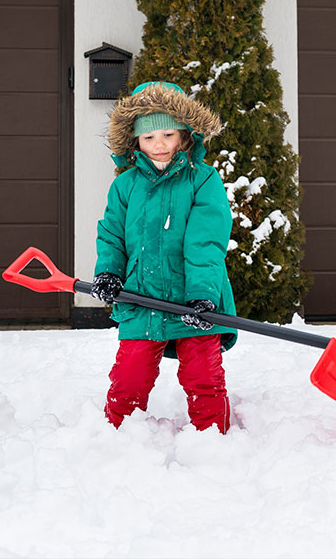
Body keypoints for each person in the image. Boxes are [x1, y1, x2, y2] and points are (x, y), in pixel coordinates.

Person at [91, 81, 237, 434]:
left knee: (203, 376)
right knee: (130, 376)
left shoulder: (203, 180)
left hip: (197, 300)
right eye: (148, 138)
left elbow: (206, 243)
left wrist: (203, 296)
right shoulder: (125, 186)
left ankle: (213, 440)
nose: (159, 145)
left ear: (185, 135)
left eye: (168, 134)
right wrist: (108, 273)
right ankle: (116, 438)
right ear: (135, 142)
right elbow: (111, 236)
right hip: (142, 299)